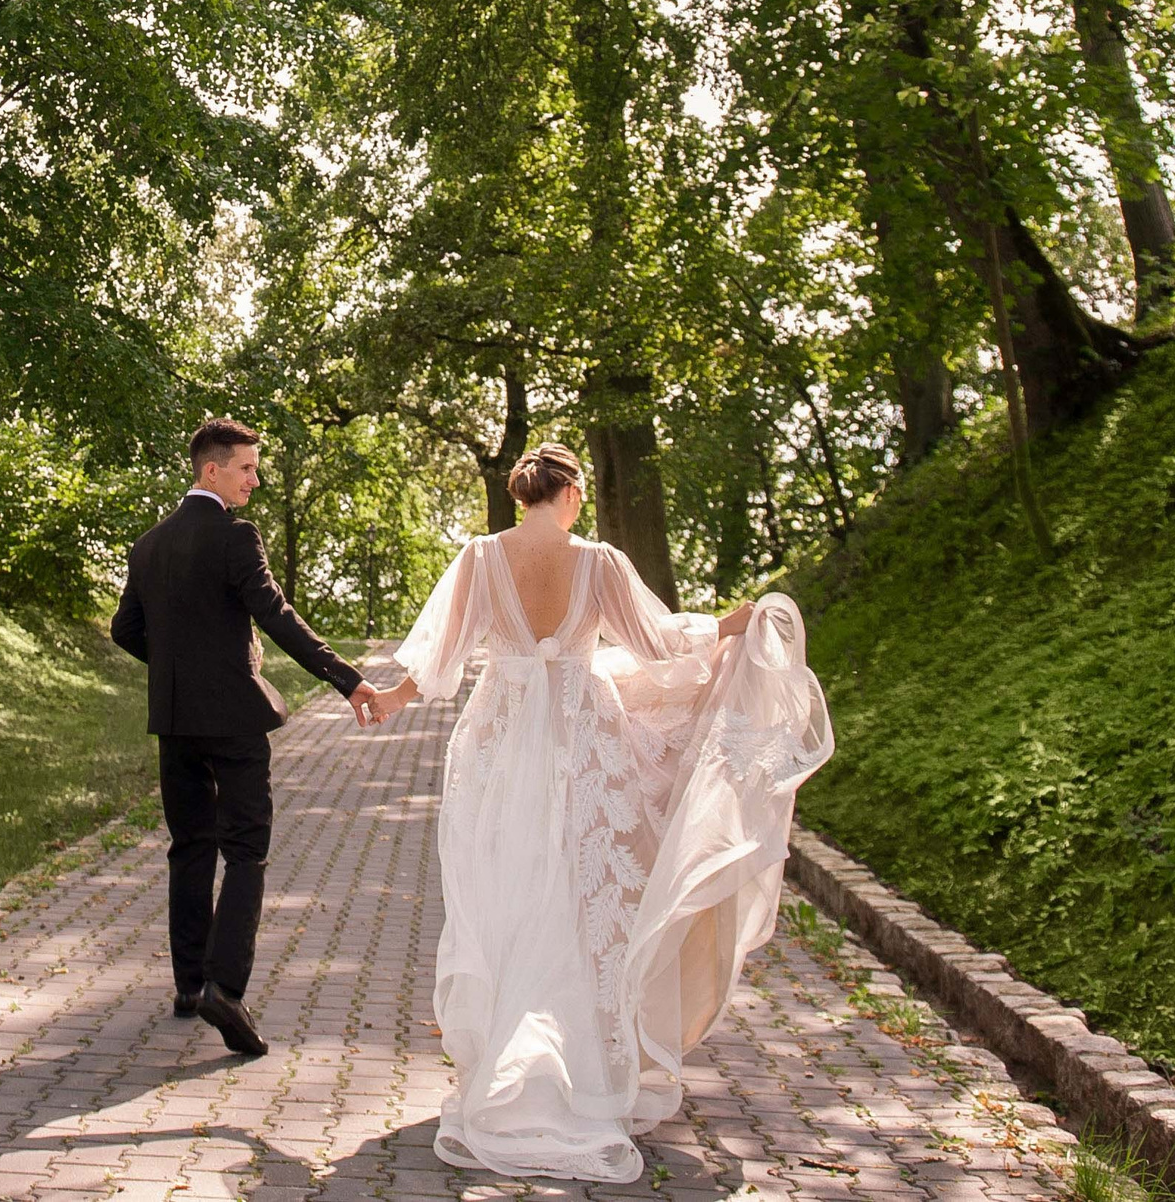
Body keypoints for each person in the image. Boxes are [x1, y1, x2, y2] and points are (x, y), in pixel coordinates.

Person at [362, 443, 835, 1182]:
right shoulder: (601, 561)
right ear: (573, 489)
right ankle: (586, 1077)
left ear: (523, 493)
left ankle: (504, 1075)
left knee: (509, 900)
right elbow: (659, 645)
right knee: (585, 903)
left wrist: (386, 700)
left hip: (501, 744)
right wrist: (735, 623)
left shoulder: (481, 557)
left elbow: (437, 662)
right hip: (583, 741)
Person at [109, 416, 379, 1058]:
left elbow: (126, 630)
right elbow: (275, 614)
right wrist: (346, 679)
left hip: (174, 721)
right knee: (247, 849)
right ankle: (224, 989)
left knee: (189, 847)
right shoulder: (236, 537)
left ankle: (186, 984)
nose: (255, 480)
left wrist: (179, 670)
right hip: (232, 718)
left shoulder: (149, 545)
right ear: (212, 470)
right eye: (247, 469)